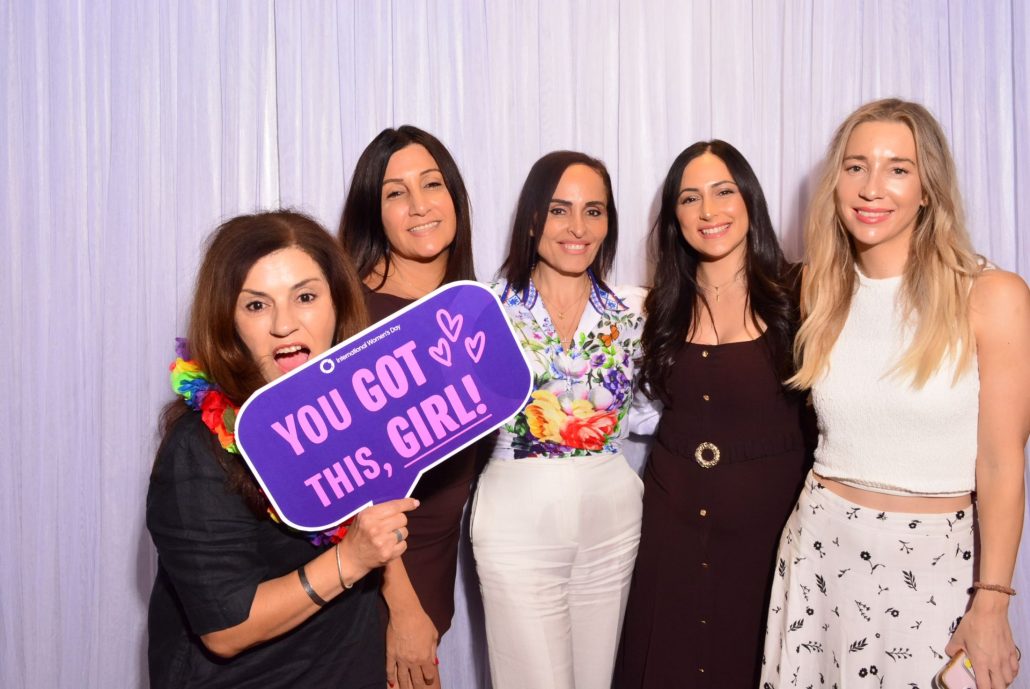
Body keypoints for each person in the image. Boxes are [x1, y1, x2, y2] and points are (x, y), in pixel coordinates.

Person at [761, 98, 1028, 689]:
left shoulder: (992, 295)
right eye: (855, 167)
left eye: (898, 169)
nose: (871, 187)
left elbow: (1002, 461)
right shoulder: (817, 290)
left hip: (936, 566)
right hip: (820, 551)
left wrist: (992, 602)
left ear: (928, 188)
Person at [147, 211, 419, 689]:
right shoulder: (197, 449)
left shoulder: (354, 413)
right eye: (256, 305)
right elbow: (226, 629)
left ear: (337, 303)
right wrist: (350, 561)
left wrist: (405, 610)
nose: (284, 324)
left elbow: (372, 528)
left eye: (306, 297)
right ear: (227, 322)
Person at [612, 141, 813, 688]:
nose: (708, 211)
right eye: (690, 198)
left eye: (723, 192)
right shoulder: (652, 308)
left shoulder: (803, 293)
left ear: (749, 200)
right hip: (670, 531)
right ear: (674, 217)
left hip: (770, 535)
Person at [471, 151, 658, 689]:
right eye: (559, 210)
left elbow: (650, 414)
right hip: (516, 516)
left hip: (612, 516)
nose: (578, 228)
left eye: (593, 211)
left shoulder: (636, 312)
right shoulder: (484, 309)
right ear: (533, 219)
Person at [338, 125, 478, 689]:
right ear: (373, 213)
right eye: (396, 192)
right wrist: (402, 606)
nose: (420, 205)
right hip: (378, 582)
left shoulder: (472, 308)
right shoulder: (353, 314)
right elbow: (349, 485)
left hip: (433, 569)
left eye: (432, 184)